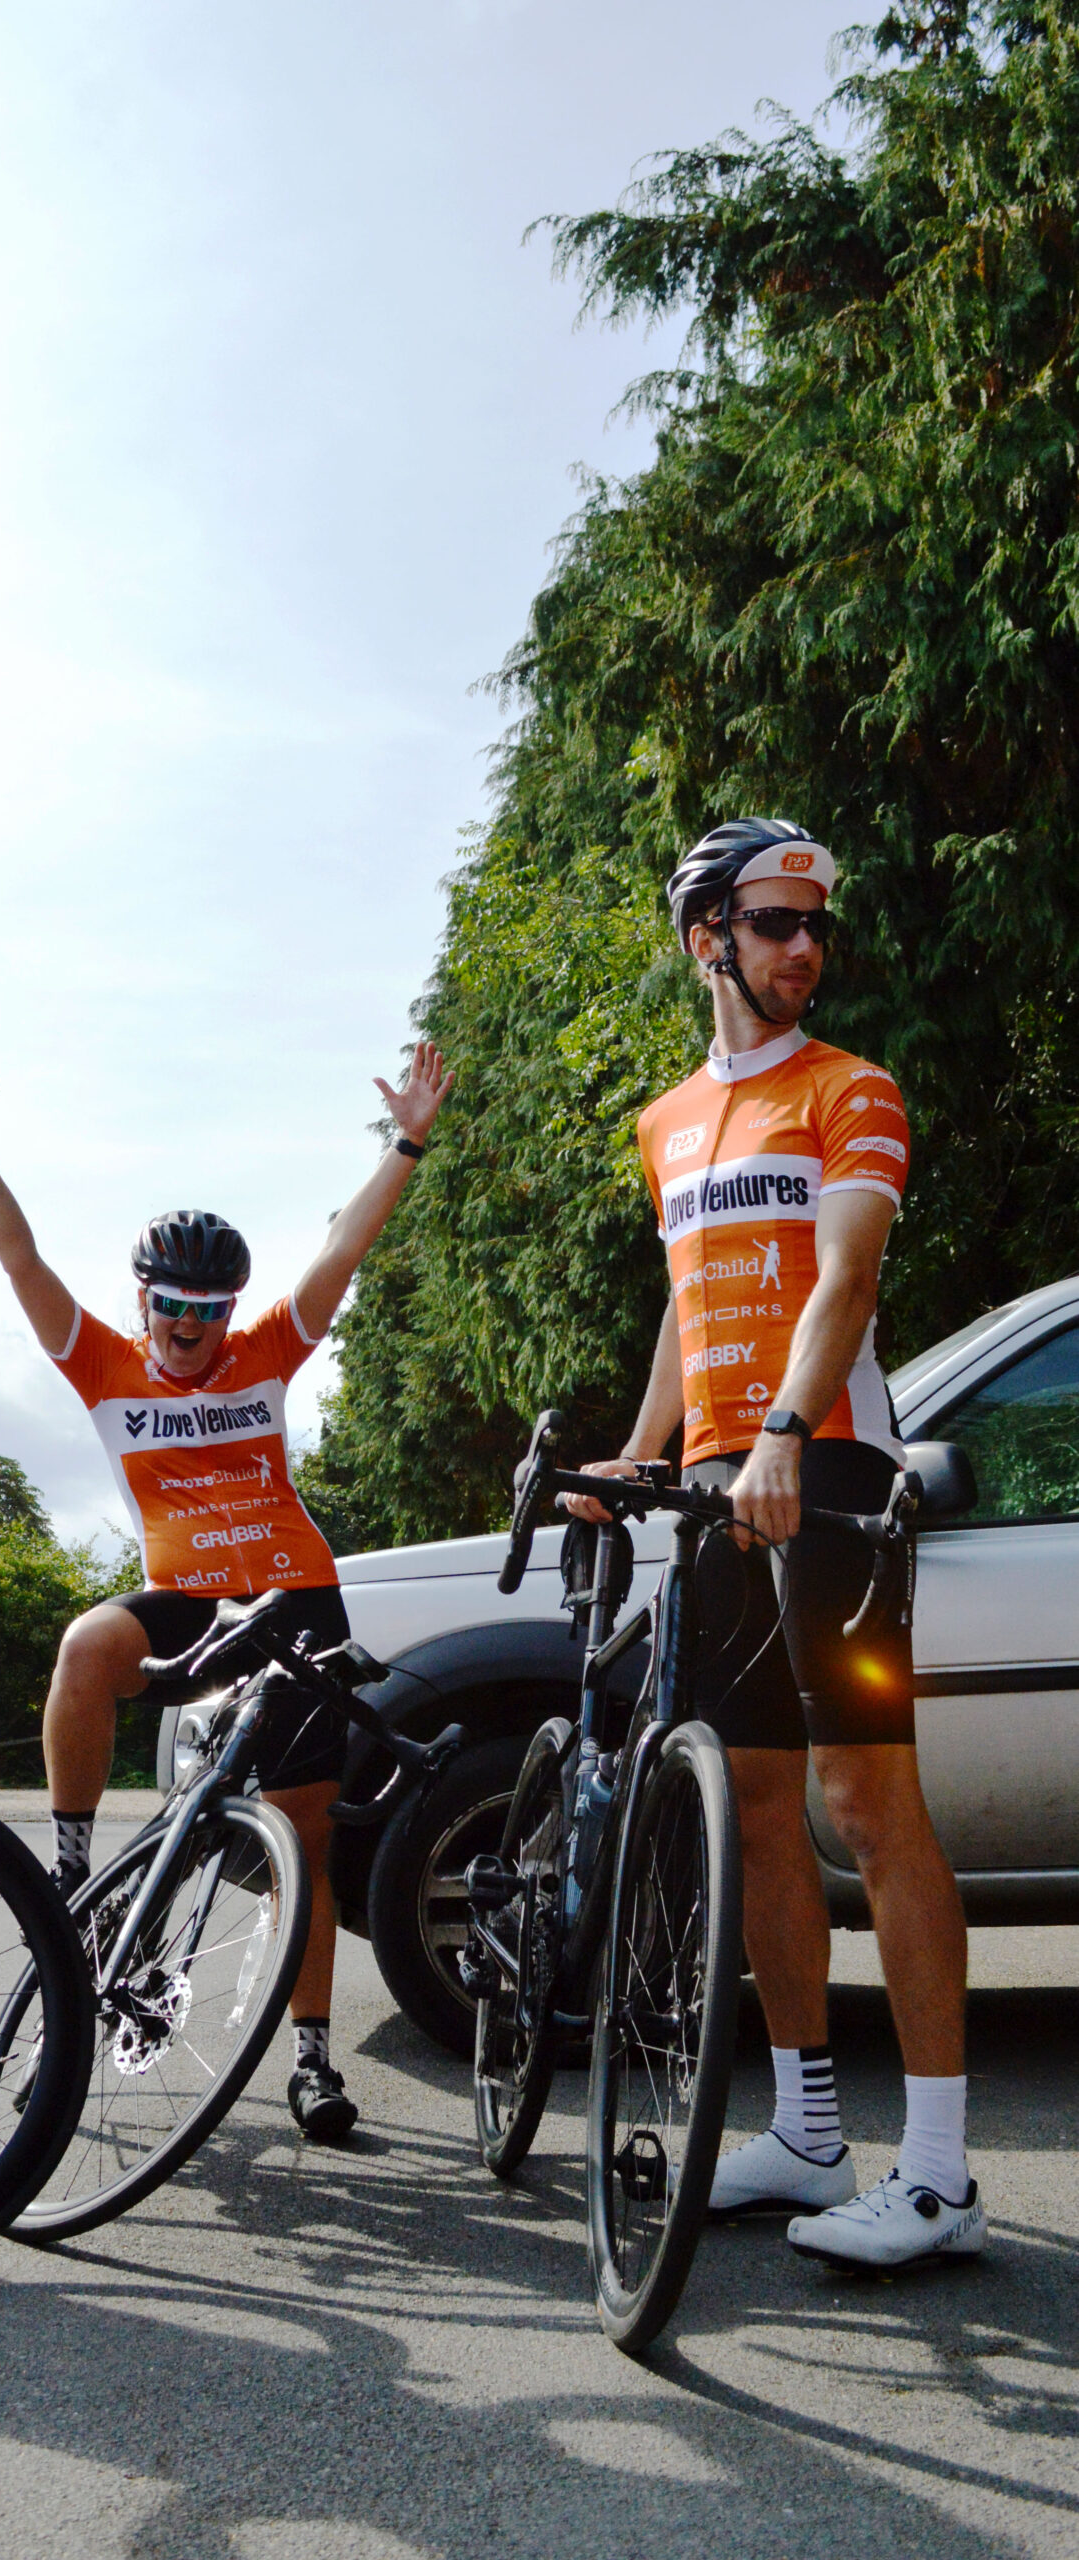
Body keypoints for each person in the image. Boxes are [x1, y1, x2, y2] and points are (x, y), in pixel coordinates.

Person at [564, 819, 984, 2270]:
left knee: (867, 1806)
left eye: (816, 925)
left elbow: (845, 1276)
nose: (804, 945)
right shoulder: (666, 1122)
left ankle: (939, 2174)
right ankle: (807, 2134)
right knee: (751, 1810)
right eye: (773, 923)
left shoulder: (849, 1089)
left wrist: (789, 1432)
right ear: (708, 940)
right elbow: (690, 1302)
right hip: (717, 1487)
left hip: (831, 1470)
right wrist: (641, 1447)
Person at [0, 1033, 453, 2141]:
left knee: (303, 1843)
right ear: (144, 1298)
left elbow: (343, 1250)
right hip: (185, 1602)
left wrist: (406, 1143)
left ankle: (309, 2060)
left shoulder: (262, 1353)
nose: (190, 1326)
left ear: (229, 1308)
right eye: (172, 1304)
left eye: (210, 1308)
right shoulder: (105, 1365)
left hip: (292, 1598)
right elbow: (20, 1259)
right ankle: (74, 1875)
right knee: (84, 1648)